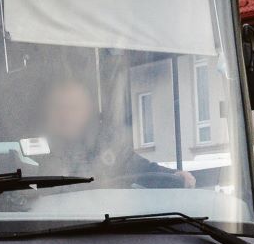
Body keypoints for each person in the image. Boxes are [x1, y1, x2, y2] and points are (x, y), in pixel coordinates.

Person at [32, 69, 195, 187]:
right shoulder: (32, 152)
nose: (65, 115)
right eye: (58, 107)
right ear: (46, 111)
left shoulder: (106, 146)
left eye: (73, 108)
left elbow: (140, 169)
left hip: (106, 225)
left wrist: (173, 177)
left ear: (88, 111)